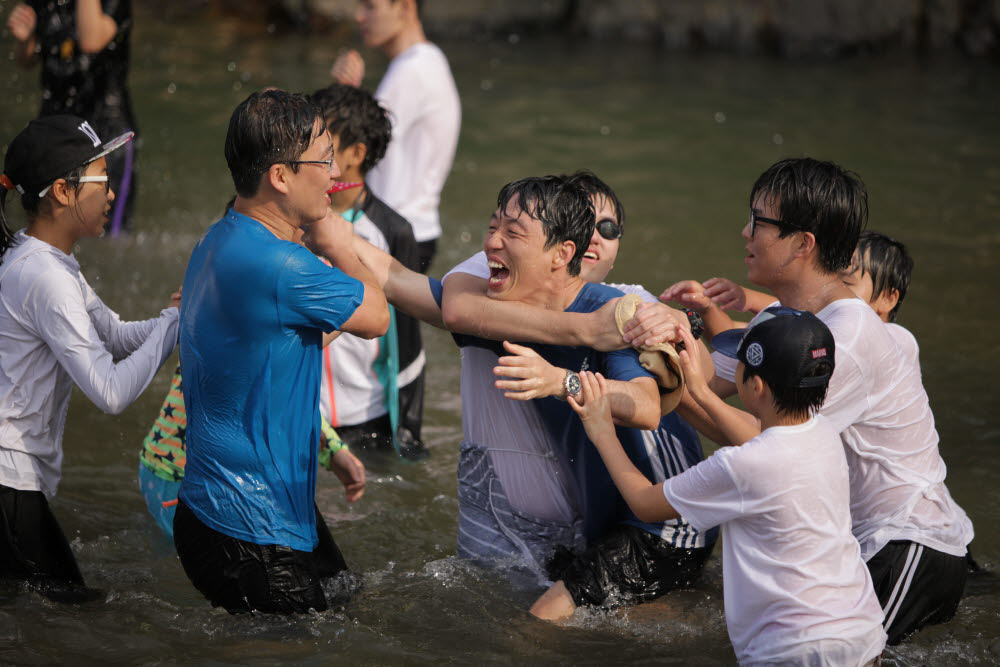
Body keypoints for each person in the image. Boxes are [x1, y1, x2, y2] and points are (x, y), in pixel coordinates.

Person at [701, 158, 973, 644]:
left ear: (803, 244)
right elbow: (702, 380)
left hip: (905, 542)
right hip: (853, 544)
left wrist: (682, 388)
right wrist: (657, 336)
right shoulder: (779, 321)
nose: (745, 232)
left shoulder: (846, 336)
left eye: (759, 221)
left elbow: (771, 447)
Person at [441, 172, 717, 620]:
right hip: (608, 520)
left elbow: (651, 405)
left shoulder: (621, 310)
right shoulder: (514, 307)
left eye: (512, 232)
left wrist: (559, 380)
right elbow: (420, 294)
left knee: (540, 620)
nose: (492, 242)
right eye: (492, 228)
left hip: (667, 524)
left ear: (561, 251)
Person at [174, 90, 388, 614]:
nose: (334, 172)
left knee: (348, 606)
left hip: (218, 509)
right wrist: (337, 242)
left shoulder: (217, 238)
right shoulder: (284, 266)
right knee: (300, 646)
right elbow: (377, 316)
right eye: (323, 159)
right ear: (280, 176)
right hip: (252, 529)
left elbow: (275, 350)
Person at [574, 312, 886, 665]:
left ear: (755, 387)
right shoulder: (823, 432)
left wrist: (602, 430)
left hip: (798, 649)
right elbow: (763, 443)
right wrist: (701, 394)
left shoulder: (741, 465)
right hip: (862, 632)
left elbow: (645, 504)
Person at [0, 115, 177, 597]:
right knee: (74, 611)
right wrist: (174, 325)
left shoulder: (50, 260)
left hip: (16, 481)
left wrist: (178, 316)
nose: (113, 195)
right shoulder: (45, 276)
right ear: (62, 191)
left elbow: (116, 337)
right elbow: (110, 392)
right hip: (9, 483)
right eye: (103, 181)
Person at [310, 83, 429, 460]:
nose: (308, 149)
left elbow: (408, 343)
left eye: (323, 141)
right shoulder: (292, 216)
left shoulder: (392, 231)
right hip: (304, 407)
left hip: (365, 416)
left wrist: (408, 428)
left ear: (356, 154)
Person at [330, 0, 460, 272]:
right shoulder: (428, 59)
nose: (359, 17)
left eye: (370, 7)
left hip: (391, 231)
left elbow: (358, 144)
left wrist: (342, 94)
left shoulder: (410, 70)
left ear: (405, 7)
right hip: (415, 227)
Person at [8, 0, 139, 235]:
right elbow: (27, 59)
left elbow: (91, 40)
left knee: (110, 228)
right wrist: (25, 40)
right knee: (46, 214)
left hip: (105, 125)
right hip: (56, 124)